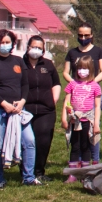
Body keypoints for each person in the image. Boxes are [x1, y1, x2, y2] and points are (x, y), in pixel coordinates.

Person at [0, 29, 39, 189]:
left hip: (18, 109)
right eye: (2, 43)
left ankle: (29, 177)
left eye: (8, 42)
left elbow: (25, 84)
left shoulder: (18, 62)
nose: (5, 45)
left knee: (29, 141)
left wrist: (22, 101)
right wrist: (4, 104)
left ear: (13, 44)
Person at [65, 22, 102, 164]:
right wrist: (76, 84)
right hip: (76, 95)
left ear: (91, 35)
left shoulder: (98, 51)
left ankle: (95, 160)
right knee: (77, 129)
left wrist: (91, 83)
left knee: (93, 128)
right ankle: (78, 162)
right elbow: (66, 72)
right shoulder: (72, 53)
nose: (83, 37)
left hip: (93, 93)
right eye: (80, 35)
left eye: (86, 35)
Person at [22, 35, 62, 180]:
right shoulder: (20, 64)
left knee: (43, 141)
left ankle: (39, 172)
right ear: (28, 47)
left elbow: (56, 83)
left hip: (46, 110)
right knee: (27, 141)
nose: (36, 50)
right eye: (33, 47)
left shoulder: (48, 64)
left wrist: (54, 98)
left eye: (39, 47)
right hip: (25, 109)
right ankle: (26, 171)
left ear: (43, 49)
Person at [63, 56, 102, 182]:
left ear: (90, 70)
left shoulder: (95, 86)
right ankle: (73, 174)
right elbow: (66, 102)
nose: (82, 71)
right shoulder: (72, 84)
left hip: (87, 121)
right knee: (75, 147)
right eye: (80, 68)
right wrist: (65, 118)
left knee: (86, 147)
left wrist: (96, 124)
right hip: (75, 121)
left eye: (85, 68)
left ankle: (85, 173)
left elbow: (97, 106)